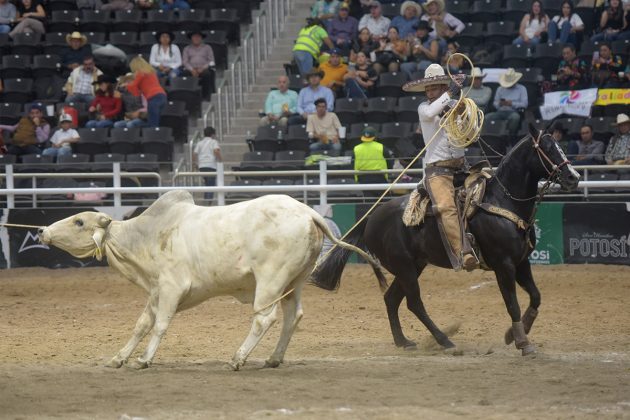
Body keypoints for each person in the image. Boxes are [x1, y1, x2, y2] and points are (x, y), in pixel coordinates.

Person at [402, 63, 477, 271]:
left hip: (462, 166)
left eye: (434, 88)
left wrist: (462, 113)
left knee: (487, 189)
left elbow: (470, 135)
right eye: (427, 89)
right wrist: (451, 95)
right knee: (445, 207)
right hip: (438, 170)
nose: (429, 92)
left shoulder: (456, 105)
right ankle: (464, 252)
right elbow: (429, 114)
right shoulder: (424, 108)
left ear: (443, 87)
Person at [123, 56, 168, 127]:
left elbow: (134, 88)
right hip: (162, 96)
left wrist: (127, 85)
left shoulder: (140, 72)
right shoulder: (152, 72)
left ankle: (152, 137)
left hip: (153, 98)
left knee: (153, 124)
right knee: (158, 122)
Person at [485, 68, 528, 140]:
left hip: (513, 111)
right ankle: (490, 137)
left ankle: (510, 137)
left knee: (515, 118)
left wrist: (512, 103)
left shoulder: (522, 89)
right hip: (500, 111)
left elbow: (525, 104)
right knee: (487, 117)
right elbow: (495, 103)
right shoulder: (500, 88)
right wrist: (500, 103)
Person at [353, 126, 388, 198]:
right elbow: (390, 162)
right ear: (375, 137)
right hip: (380, 177)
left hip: (362, 178)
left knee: (368, 203)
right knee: (383, 203)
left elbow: (352, 164)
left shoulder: (356, 148)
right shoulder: (381, 147)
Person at [182, 30, 216, 100]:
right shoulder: (187, 48)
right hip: (191, 69)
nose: (196, 38)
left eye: (198, 37)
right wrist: (192, 70)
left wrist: (202, 68)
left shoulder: (207, 47)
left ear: (201, 38)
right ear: (191, 38)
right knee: (184, 74)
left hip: (203, 68)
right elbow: (185, 62)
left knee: (206, 74)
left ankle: (205, 96)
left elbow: (211, 60)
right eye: (194, 37)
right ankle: (188, 96)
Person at [193, 126, 222, 202]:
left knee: (207, 183)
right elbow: (216, 151)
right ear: (212, 134)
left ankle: (206, 199)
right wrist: (220, 160)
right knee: (211, 184)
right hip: (211, 165)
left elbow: (194, 153)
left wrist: (195, 163)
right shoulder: (214, 142)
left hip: (202, 166)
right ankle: (208, 201)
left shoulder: (200, 143)